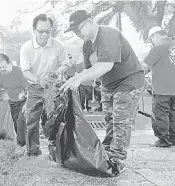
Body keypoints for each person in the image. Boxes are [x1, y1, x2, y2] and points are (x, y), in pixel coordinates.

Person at [61, 10, 145, 172]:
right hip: (108, 85)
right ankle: (107, 151)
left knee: (121, 121)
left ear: (91, 21)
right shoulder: (86, 46)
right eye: (75, 31)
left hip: (129, 81)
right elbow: (89, 71)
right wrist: (72, 82)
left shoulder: (108, 35)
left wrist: (78, 79)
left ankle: (117, 159)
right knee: (109, 119)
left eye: (80, 28)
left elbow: (106, 65)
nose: (78, 33)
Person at [20, 14, 70, 156]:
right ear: (34, 30)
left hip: (53, 88)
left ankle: (56, 148)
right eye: (41, 31)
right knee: (31, 119)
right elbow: (25, 71)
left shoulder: (58, 45)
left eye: (47, 31)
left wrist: (55, 73)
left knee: (57, 118)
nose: (44, 35)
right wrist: (38, 80)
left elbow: (65, 64)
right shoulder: (26, 48)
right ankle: (33, 150)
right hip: (35, 88)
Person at [144, 26, 175, 147]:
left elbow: (145, 64)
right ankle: (173, 138)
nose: (151, 42)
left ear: (155, 36)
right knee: (173, 113)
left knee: (160, 114)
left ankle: (163, 140)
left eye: (151, 39)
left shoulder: (158, 47)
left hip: (162, 88)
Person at [0, 53, 29, 155]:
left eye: (4, 67)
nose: (2, 69)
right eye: (0, 67)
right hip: (13, 102)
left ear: (10, 63)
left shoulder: (19, 71)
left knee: (21, 121)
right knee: (17, 124)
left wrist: (25, 97)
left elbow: (28, 88)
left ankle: (21, 145)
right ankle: (24, 143)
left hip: (24, 101)